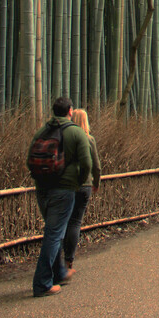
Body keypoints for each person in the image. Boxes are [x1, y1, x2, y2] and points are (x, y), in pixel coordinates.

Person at [27, 96, 92, 297]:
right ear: (70, 111)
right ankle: (42, 283)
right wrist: (78, 182)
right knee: (54, 235)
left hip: (43, 190)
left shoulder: (42, 131)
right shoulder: (75, 132)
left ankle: (59, 273)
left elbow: (30, 159)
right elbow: (87, 163)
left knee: (54, 232)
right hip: (63, 191)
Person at [62, 108, 101, 269]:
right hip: (84, 185)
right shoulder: (89, 139)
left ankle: (58, 260)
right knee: (75, 222)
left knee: (63, 221)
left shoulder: (64, 138)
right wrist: (96, 183)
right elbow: (96, 165)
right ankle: (68, 260)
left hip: (66, 185)